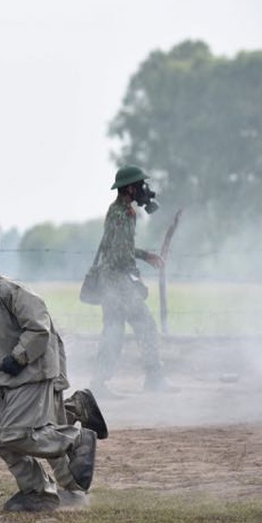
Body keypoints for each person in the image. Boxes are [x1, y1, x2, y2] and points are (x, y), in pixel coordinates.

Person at [0, 236, 98, 513]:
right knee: (0, 438)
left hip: (32, 372)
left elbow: (38, 328)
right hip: (10, 379)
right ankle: (38, 492)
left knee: (16, 434)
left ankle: (76, 439)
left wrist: (19, 357)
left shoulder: (7, 290)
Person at [90, 165, 171, 392]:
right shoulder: (122, 214)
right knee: (144, 326)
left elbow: (121, 247)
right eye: (141, 185)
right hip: (118, 283)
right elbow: (118, 254)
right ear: (131, 189)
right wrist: (133, 278)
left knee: (113, 332)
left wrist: (146, 256)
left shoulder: (120, 212)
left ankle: (98, 384)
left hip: (113, 282)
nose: (145, 190)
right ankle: (153, 379)